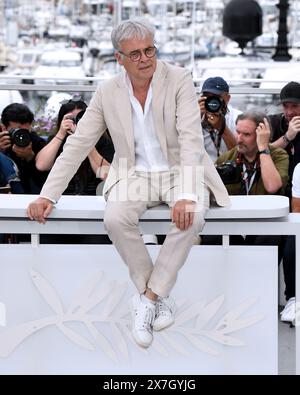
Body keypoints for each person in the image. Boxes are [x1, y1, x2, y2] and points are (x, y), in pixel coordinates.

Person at [27, 18, 229, 348]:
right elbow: (78, 144)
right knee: (115, 218)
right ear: (119, 57)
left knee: (193, 217)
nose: (145, 58)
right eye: (134, 54)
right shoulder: (107, 92)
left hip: (180, 171)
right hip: (133, 174)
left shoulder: (179, 79)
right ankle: (158, 298)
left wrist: (188, 194)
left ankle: (148, 298)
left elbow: (192, 140)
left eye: (149, 49)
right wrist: (49, 194)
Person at [204, 110, 291, 310]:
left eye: (246, 134)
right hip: (234, 226)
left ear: (261, 134)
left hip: (263, 227)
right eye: (238, 132)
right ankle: (225, 298)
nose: (239, 139)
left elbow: (272, 186)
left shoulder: (277, 155)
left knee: (271, 237)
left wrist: (263, 149)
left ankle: (260, 299)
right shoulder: (227, 158)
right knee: (211, 237)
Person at [36, 97, 114, 195]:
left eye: (80, 118)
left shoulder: (102, 141)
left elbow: (105, 175)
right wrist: (60, 133)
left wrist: (84, 140)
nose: (77, 123)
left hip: (92, 197)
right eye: (71, 119)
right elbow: (41, 165)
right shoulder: (58, 140)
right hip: (63, 197)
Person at [0, 103, 48, 194]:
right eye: (16, 131)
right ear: (4, 128)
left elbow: (46, 183)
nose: (21, 136)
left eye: (24, 131)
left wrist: (30, 158)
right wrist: (1, 152)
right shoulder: (2, 143)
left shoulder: (38, 143)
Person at [198, 76, 241, 162]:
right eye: (207, 96)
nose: (212, 101)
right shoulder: (193, 116)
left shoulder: (238, 118)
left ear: (227, 98)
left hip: (229, 169)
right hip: (202, 169)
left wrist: (222, 128)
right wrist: (196, 116)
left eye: (216, 97)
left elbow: (240, 155)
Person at [269, 81, 300, 186]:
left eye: (295, 106)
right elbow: (261, 152)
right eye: (285, 106)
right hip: (278, 184)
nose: (289, 112)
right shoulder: (272, 122)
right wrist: (287, 137)